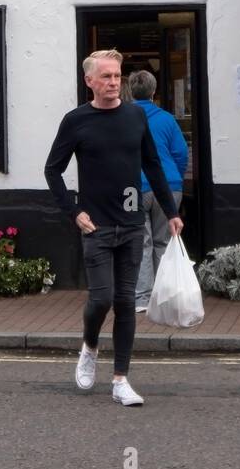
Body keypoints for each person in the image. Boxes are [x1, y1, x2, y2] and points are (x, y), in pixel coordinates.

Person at [44, 49, 182, 406]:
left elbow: (152, 165)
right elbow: (52, 169)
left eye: (117, 76)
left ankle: (121, 379)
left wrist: (170, 212)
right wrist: (73, 211)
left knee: (125, 301)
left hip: (133, 222)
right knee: (101, 299)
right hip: (96, 226)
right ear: (89, 81)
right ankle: (90, 345)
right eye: (105, 76)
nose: (113, 82)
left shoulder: (135, 116)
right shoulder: (76, 121)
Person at [129, 69, 188, 312]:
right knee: (164, 241)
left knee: (142, 242)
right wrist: (176, 177)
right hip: (169, 186)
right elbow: (181, 153)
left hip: (135, 188)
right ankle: (165, 296)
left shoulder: (125, 118)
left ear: (130, 91)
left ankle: (142, 299)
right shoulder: (167, 119)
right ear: (154, 91)